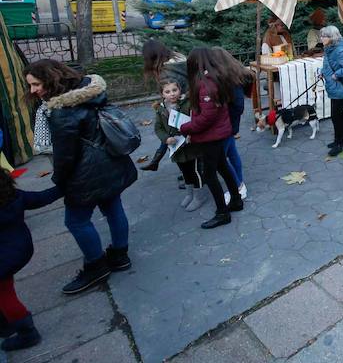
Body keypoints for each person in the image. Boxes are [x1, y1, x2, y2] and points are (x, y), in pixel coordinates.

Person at [24, 60, 137, 294]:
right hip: (110, 163)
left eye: (36, 84)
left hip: (85, 175)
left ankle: (96, 266)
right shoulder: (89, 92)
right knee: (113, 208)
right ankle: (120, 255)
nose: (33, 90)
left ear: (51, 79)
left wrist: (59, 182)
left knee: (76, 221)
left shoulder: (62, 111)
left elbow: (66, 157)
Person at [178, 48, 243, 229]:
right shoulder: (214, 78)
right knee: (222, 166)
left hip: (211, 136)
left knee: (209, 174)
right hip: (217, 133)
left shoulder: (206, 84)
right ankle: (236, 200)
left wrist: (185, 128)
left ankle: (222, 213)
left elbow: (207, 117)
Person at [0, 170, 61, 351]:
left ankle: (27, 333)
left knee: (5, 295)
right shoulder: (14, 196)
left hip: (5, 256)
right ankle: (5, 321)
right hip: (21, 248)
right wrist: (64, 187)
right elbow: (42, 197)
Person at [153, 78, 206, 212]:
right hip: (176, 147)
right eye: (167, 91)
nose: (172, 94)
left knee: (195, 171)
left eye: (174, 90)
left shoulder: (188, 104)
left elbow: (196, 120)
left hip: (190, 144)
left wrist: (191, 133)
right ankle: (190, 194)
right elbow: (158, 128)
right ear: (162, 94)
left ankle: (199, 196)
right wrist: (166, 139)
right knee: (184, 171)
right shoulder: (160, 109)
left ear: (180, 90)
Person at [211, 48, 254, 201]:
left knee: (221, 158)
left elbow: (237, 106)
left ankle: (238, 186)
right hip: (230, 124)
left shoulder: (228, 79)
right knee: (231, 154)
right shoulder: (233, 74)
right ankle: (239, 184)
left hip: (226, 125)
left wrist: (228, 123)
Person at [141, 39, 188, 171]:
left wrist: (165, 103)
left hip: (177, 104)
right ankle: (156, 161)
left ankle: (189, 172)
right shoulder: (178, 58)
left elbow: (169, 90)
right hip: (186, 100)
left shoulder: (165, 71)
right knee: (175, 134)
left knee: (174, 135)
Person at [320, 26, 343, 157]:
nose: (321, 38)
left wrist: (338, 74)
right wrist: (322, 73)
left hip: (340, 89)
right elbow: (327, 65)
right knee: (337, 116)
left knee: (337, 117)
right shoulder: (329, 50)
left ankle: (339, 144)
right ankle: (340, 140)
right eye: (322, 35)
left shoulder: (338, 51)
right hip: (334, 88)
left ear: (332, 38)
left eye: (324, 36)